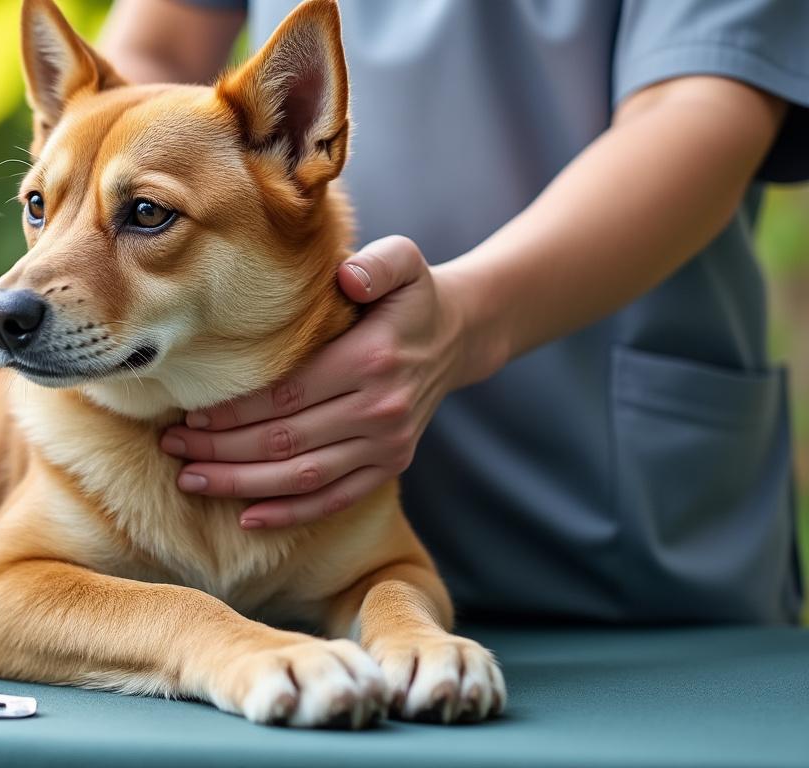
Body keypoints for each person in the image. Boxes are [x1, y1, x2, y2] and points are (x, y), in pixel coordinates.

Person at [99, 0, 809, 624]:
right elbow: (153, 51)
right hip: (297, 539)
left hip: (614, 531)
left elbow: (700, 103)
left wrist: (466, 325)